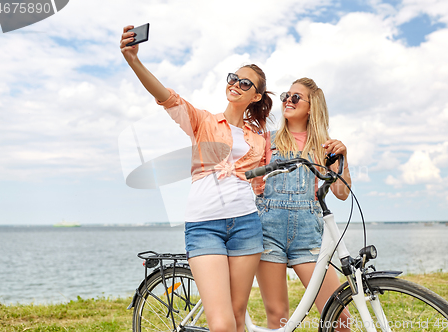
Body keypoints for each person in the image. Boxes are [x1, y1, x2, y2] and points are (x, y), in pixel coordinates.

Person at [120, 26, 273, 332]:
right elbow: (166, 97)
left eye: (246, 83)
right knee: (222, 324)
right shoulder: (202, 121)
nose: (236, 84)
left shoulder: (258, 138)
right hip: (205, 225)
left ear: (255, 96)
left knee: (238, 316)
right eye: (233, 77)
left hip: (246, 223)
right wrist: (133, 60)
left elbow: (261, 185)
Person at [253, 77, 352, 329]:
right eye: (286, 95)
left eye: (295, 97)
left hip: (308, 235)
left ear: (311, 107)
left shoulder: (325, 147)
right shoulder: (266, 140)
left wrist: (342, 157)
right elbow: (246, 178)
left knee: (339, 316)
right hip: (267, 233)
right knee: (278, 316)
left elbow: (341, 193)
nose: (287, 100)